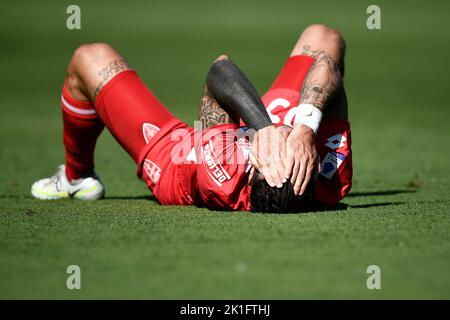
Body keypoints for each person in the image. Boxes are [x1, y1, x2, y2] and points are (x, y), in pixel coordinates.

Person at [31, 24, 352, 213]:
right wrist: (306, 127)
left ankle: (77, 177)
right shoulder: (329, 180)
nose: (280, 144)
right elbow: (330, 59)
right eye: (288, 149)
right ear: (308, 166)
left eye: (270, 153)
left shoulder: (223, 175)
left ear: (255, 164)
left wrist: (266, 129)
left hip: (177, 155)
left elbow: (219, 71)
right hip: (265, 121)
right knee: (322, 34)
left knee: (88, 57)